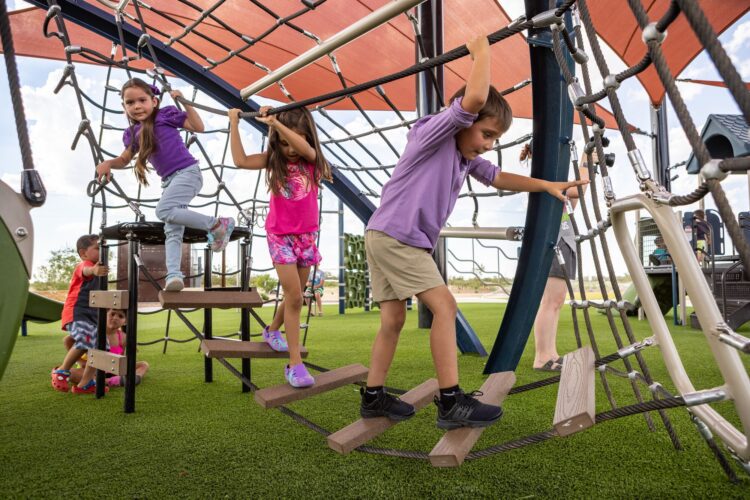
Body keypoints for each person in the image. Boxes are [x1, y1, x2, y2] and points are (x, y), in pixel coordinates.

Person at [358, 35, 588, 429]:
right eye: (486, 135)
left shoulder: (464, 158)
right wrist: (482, 53)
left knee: (393, 319)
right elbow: (475, 100)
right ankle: (451, 403)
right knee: (445, 307)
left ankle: (373, 396)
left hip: (384, 235)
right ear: (464, 121)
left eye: (495, 139)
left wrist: (549, 185)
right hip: (398, 239)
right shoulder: (432, 135)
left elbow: (499, 178)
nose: (488, 145)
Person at [95, 78, 235, 292]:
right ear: (124, 107)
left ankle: (217, 224)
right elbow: (124, 160)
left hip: (188, 173)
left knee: (164, 210)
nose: (137, 106)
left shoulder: (165, 115)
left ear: (154, 101)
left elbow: (198, 127)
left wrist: (186, 103)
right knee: (172, 229)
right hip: (169, 181)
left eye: (142, 100)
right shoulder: (132, 134)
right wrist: (108, 163)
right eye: (130, 103)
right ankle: (174, 276)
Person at [228, 104, 331, 388]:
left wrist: (276, 124)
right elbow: (239, 160)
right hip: (280, 236)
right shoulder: (275, 161)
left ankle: (272, 330)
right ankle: (294, 364)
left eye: (294, 141)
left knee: (295, 296)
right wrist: (234, 124)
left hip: (307, 237)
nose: (289, 149)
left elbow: (307, 149)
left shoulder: (313, 160)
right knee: (295, 297)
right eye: (283, 144)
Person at [527, 144, 590, 372]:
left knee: (556, 301)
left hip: (564, 237)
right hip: (555, 239)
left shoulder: (553, 180)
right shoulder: (546, 177)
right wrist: (587, 155)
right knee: (551, 301)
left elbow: (572, 202)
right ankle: (542, 357)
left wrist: (586, 155)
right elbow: (580, 189)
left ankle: (550, 353)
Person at [51, 234, 109, 392]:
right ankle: (61, 370)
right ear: (84, 253)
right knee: (85, 340)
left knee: (101, 348)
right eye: (98, 248)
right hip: (77, 312)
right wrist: (94, 270)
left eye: (105, 249)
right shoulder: (84, 265)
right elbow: (86, 271)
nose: (104, 252)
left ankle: (86, 383)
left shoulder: (100, 271)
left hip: (92, 316)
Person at [70, 309, 150, 393]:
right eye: (112, 314)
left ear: (125, 321)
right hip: (92, 371)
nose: (115, 318)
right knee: (71, 373)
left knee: (143, 365)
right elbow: (67, 341)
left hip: (113, 370)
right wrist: (80, 361)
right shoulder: (93, 331)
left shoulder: (123, 337)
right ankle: (108, 381)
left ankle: (131, 379)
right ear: (104, 315)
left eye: (120, 316)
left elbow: (123, 357)